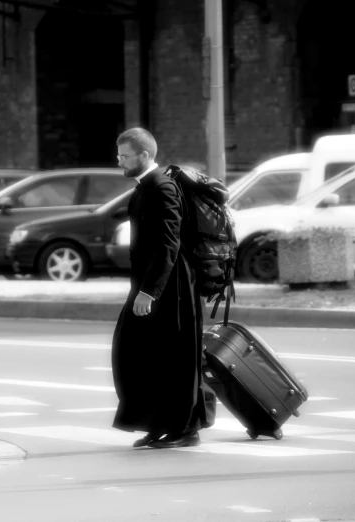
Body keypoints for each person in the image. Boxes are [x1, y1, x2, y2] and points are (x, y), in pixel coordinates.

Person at [111, 127, 212, 449]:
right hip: (152, 285)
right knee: (143, 356)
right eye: (119, 156)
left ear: (144, 155)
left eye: (125, 156)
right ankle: (158, 422)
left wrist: (149, 292)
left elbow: (169, 244)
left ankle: (185, 429)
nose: (120, 162)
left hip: (172, 288)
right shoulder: (145, 187)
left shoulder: (163, 187)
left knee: (175, 360)